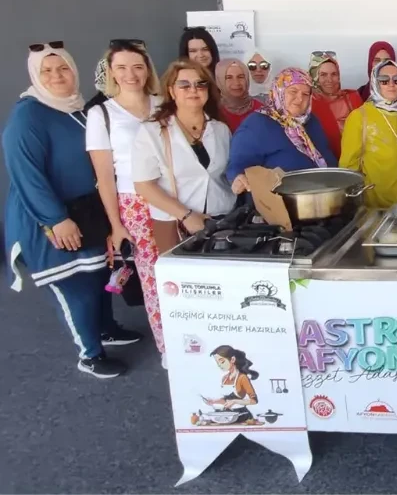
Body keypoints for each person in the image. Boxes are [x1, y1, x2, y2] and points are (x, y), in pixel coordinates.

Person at [4, 42, 137, 378]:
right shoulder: (29, 115)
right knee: (74, 284)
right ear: (35, 75)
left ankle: (106, 329)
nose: (57, 76)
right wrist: (55, 219)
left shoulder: (77, 109)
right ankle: (89, 354)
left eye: (63, 68)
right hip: (52, 218)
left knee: (98, 275)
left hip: (87, 211)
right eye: (47, 71)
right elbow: (26, 174)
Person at [85, 39, 165, 362]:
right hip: (134, 202)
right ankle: (168, 347)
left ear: (147, 70)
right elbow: (105, 176)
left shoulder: (164, 104)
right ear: (111, 72)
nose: (130, 74)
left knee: (182, 268)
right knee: (152, 276)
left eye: (137, 66)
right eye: (121, 67)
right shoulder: (102, 114)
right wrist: (115, 225)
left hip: (173, 197)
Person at [132, 59, 236, 255]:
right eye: (184, 85)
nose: (193, 90)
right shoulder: (152, 131)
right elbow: (144, 186)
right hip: (175, 224)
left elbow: (228, 174)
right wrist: (186, 215)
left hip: (221, 221)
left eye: (200, 84)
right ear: (172, 91)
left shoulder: (220, 129)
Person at [227, 68, 337, 192]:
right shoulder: (257, 123)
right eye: (293, 91)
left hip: (318, 195)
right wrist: (238, 177)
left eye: (306, 94)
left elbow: (326, 155)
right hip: (278, 200)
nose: (300, 99)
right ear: (279, 91)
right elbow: (238, 165)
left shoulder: (311, 121)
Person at [340, 59, 397, 208]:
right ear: (375, 83)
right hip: (374, 207)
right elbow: (348, 168)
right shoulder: (359, 117)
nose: (391, 84)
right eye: (384, 80)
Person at [308, 51, 362, 158]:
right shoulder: (306, 104)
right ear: (314, 76)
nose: (329, 80)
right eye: (323, 75)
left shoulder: (352, 98)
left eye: (334, 74)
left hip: (354, 161)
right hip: (322, 163)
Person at [356, 41, 397, 115]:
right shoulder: (359, 94)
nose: (381, 64)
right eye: (377, 60)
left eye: (387, 60)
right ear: (370, 63)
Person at [203, 345, 259, 424]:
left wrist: (235, 401)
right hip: (227, 415)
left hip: (241, 415)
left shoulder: (242, 378)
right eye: (217, 363)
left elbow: (254, 401)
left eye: (222, 361)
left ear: (232, 359)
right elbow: (226, 400)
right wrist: (214, 401)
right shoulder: (224, 378)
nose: (219, 365)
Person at [215, 58, 264, 133]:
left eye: (240, 77)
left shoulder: (261, 110)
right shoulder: (214, 112)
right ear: (220, 81)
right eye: (229, 77)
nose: (236, 83)